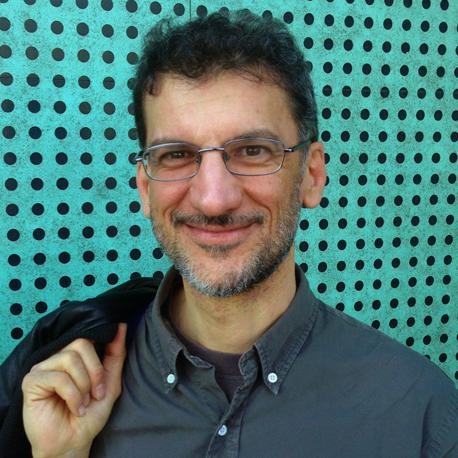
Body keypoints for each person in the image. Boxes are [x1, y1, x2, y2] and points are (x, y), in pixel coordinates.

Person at [1, 10, 457, 458]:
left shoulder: (420, 416)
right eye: (176, 154)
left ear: (311, 175)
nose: (213, 200)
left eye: (253, 150)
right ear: (145, 188)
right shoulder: (68, 397)